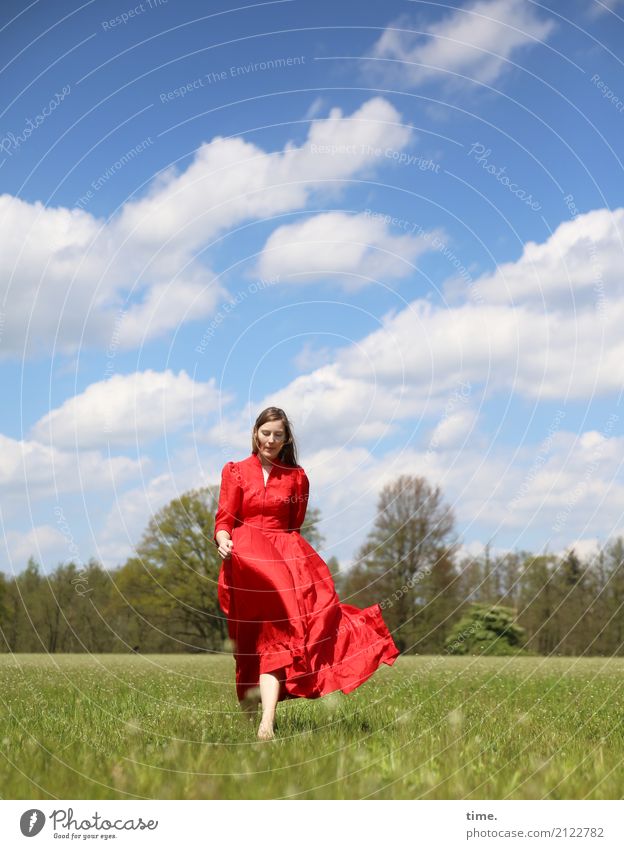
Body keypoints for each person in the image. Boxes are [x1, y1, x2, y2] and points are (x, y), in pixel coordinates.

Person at [214, 406, 400, 740]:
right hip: (244, 564)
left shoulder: (297, 477)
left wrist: (287, 560)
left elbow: (294, 524)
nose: (271, 440)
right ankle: (250, 723)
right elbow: (224, 518)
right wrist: (223, 540)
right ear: (255, 433)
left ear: (286, 439)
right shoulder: (235, 471)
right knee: (248, 648)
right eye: (266, 433)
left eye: (278, 435)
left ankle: (266, 725)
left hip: (284, 563)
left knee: (279, 641)